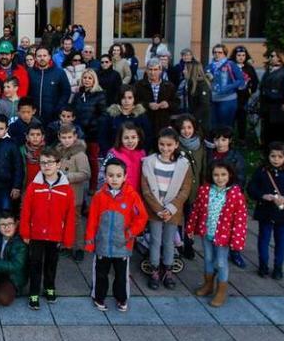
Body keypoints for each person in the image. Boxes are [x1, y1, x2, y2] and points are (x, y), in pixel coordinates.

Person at [86, 157, 148, 312]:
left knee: (121, 275)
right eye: (111, 175)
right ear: (105, 176)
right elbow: (92, 220)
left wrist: (131, 232)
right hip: (102, 244)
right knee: (101, 274)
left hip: (122, 245)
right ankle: (98, 296)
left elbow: (142, 217)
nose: (114, 179)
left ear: (125, 176)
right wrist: (90, 241)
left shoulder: (132, 196)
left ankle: (121, 298)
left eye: (118, 175)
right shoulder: (99, 196)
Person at [20, 147, 75, 310]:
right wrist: (25, 231)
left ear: (58, 164)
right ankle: (34, 292)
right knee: (35, 263)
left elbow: (70, 215)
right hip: (36, 233)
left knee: (52, 263)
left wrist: (68, 237)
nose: (46, 166)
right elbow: (26, 210)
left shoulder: (66, 189)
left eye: (50, 162)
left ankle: (49, 287)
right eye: (43, 162)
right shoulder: (34, 186)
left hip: (55, 234)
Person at [187, 161, 247, 307]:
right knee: (208, 258)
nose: (220, 178)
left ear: (230, 175)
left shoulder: (235, 194)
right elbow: (196, 210)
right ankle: (208, 285)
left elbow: (240, 219)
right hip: (207, 231)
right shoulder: (205, 190)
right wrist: (190, 228)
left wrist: (237, 240)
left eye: (223, 175)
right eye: (216, 175)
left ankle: (221, 290)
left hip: (224, 236)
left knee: (220, 262)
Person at [140, 128, 192, 290]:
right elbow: (146, 188)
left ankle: (168, 269)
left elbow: (185, 189)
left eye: (169, 145)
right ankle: (154, 269)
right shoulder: (149, 162)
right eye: (162, 144)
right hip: (155, 210)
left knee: (169, 241)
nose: (165, 148)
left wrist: (170, 208)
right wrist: (158, 209)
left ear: (176, 144)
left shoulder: (183, 164)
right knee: (155, 240)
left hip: (173, 211)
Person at [247, 142, 284, 280]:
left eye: (280, 156)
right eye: (273, 156)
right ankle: (263, 265)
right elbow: (251, 188)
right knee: (263, 238)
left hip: (282, 213)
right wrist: (262, 195)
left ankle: (278, 267)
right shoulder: (262, 171)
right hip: (265, 210)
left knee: (281, 240)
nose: (276, 159)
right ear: (267, 156)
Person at [207, 126, 248, 268]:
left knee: (231, 226)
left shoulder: (236, 157)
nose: (220, 143)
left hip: (229, 197)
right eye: (217, 139)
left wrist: (232, 194)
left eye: (223, 139)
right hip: (213, 195)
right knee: (215, 224)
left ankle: (235, 252)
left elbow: (240, 178)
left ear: (229, 141)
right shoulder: (210, 155)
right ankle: (215, 249)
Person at [55, 124, 91, 261]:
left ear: (75, 137)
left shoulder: (80, 154)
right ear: (59, 137)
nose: (66, 140)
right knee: (63, 220)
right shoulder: (58, 151)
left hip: (74, 195)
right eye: (63, 137)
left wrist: (67, 176)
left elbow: (86, 173)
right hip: (61, 194)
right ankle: (66, 244)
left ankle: (79, 247)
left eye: (69, 137)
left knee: (76, 221)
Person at [175, 113, 206, 260]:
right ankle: (178, 244)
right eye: (182, 128)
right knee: (178, 218)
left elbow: (203, 169)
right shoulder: (175, 145)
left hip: (195, 190)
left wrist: (203, 187)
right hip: (179, 189)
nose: (186, 131)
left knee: (191, 219)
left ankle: (189, 243)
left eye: (189, 127)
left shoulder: (200, 146)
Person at [71, 69, 107, 192]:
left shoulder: (99, 95)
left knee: (92, 160)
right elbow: (73, 111)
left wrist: (93, 124)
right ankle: (78, 187)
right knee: (78, 159)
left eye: (89, 78)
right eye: (85, 77)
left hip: (93, 133)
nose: (87, 80)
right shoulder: (78, 95)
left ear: (94, 80)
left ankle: (93, 186)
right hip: (78, 133)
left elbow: (103, 114)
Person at [100, 85, 153, 154]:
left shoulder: (141, 116)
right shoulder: (111, 115)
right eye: (123, 98)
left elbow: (148, 137)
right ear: (119, 98)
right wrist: (110, 153)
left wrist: (143, 152)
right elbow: (103, 137)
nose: (126, 101)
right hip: (115, 154)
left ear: (134, 98)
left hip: (137, 154)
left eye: (130, 98)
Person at [98, 122, 146, 195]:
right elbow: (102, 175)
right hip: (118, 196)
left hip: (136, 196)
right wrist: (109, 193)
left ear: (138, 138)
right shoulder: (113, 154)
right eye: (126, 138)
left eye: (133, 137)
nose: (130, 141)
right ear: (120, 139)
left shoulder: (142, 153)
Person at [28, 47, 72, 125]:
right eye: (39, 56)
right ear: (35, 58)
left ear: (49, 57)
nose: (42, 58)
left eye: (44, 55)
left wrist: (58, 108)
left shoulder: (59, 72)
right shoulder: (29, 72)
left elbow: (66, 92)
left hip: (53, 116)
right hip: (33, 116)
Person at [135, 58, 178, 137]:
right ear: (146, 70)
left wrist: (168, 104)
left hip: (163, 123)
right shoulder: (138, 85)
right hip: (145, 121)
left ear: (160, 70)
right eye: (150, 69)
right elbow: (135, 102)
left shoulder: (169, 86)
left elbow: (176, 103)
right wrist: (148, 105)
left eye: (155, 69)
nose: (153, 72)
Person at [206, 44, 245, 130]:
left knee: (225, 127)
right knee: (214, 126)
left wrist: (228, 87)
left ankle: (227, 143)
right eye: (215, 52)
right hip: (213, 99)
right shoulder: (210, 66)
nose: (217, 54)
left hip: (228, 100)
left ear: (225, 54)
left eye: (220, 52)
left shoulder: (231, 64)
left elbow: (241, 80)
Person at [258, 49, 284, 147]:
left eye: (273, 56)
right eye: (270, 56)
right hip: (267, 105)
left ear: (280, 58)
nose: (270, 58)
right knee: (267, 130)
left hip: (278, 106)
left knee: (278, 130)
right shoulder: (269, 70)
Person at [228, 46, 259, 143]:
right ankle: (229, 138)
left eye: (243, 55)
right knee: (230, 119)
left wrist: (250, 92)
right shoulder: (229, 67)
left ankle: (242, 138)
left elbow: (255, 81)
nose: (241, 57)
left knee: (242, 118)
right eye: (239, 55)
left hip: (243, 98)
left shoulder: (249, 68)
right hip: (231, 97)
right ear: (234, 56)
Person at [179, 60, 213, 134]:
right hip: (193, 117)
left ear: (191, 70)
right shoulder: (189, 83)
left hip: (202, 120)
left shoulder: (202, 85)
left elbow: (204, 104)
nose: (183, 71)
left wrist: (193, 118)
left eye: (185, 69)